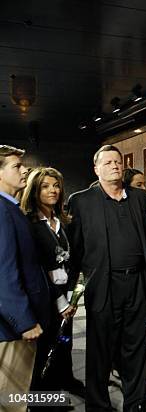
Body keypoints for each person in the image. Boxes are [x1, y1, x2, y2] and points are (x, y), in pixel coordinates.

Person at [68, 145, 146, 412]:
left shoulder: (139, 197)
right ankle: (98, 404)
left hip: (137, 282)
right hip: (104, 285)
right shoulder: (81, 201)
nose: (115, 166)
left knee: (135, 346)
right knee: (100, 349)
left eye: (118, 161)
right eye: (108, 162)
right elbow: (75, 249)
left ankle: (135, 402)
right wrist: (69, 293)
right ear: (97, 169)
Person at [20, 167, 85, 405]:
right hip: (45, 298)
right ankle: (44, 399)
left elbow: (73, 259)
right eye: (46, 186)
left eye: (56, 185)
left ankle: (65, 381)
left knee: (64, 342)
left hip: (66, 293)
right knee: (44, 349)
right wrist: (61, 302)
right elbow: (37, 266)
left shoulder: (63, 221)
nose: (53, 190)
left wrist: (72, 296)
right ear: (35, 190)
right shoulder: (30, 223)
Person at [0, 146, 51, 412]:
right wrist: (24, 321)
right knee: (11, 401)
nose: (24, 170)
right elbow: (3, 272)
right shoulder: (2, 210)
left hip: (13, 326)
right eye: (16, 167)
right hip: (11, 329)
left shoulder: (11, 208)